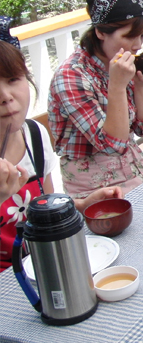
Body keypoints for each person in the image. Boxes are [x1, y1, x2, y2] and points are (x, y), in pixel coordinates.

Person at [0, 40, 122, 272]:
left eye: (13, 79)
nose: (5, 96)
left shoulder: (35, 135)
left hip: (41, 263)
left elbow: (42, 203)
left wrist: (80, 205)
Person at [48, 0, 143, 199]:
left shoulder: (120, 62)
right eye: (129, 36)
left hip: (136, 167)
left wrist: (141, 85)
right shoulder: (71, 76)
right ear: (100, 32)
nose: (138, 45)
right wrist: (117, 86)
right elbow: (113, 145)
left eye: (142, 36)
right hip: (96, 189)